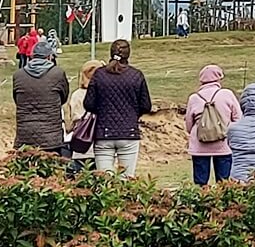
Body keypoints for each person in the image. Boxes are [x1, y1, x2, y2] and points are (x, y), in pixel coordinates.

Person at [84, 39, 154, 177]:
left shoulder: (99, 74)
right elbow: (146, 106)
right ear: (128, 55)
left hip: (103, 132)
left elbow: (89, 104)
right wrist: (133, 113)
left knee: (105, 181)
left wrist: (103, 110)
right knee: (126, 179)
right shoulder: (136, 75)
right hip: (129, 132)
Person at [12, 35, 71, 158]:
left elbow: (17, 99)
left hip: (25, 133)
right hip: (51, 134)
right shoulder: (58, 74)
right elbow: (63, 97)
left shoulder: (18, 75)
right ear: (49, 57)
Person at [185, 65, 243, 186]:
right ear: (219, 78)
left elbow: (189, 126)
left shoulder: (194, 98)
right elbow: (238, 119)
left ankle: (202, 202)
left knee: (200, 184)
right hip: (223, 145)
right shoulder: (227, 94)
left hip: (200, 146)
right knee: (224, 183)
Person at [66, 58, 103, 170]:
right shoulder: (104, 93)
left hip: (81, 142)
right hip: (100, 144)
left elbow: (70, 122)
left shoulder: (76, 95)